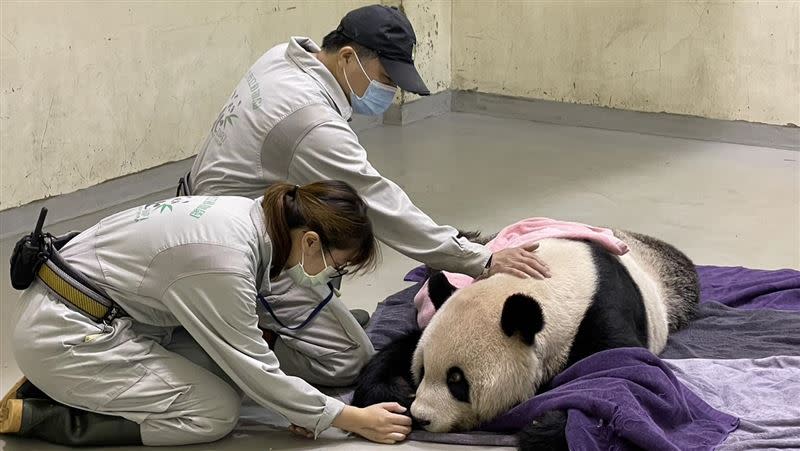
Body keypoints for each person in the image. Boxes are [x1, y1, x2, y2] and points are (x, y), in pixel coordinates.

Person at [0, 181, 411, 446]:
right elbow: (256, 369)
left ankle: (76, 385)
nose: (330, 277)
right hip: (67, 336)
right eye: (336, 267)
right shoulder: (224, 262)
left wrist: (305, 407)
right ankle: (51, 414)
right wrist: (349, 418)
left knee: (228, 374)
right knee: (215, 411)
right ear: (309, 241)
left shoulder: (247, 217)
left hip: (98, 313)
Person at [179, 4, 550, 287]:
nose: (390, 92)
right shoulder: (310, 122)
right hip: (223, 252)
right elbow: (378, 202)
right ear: (347, 57)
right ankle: (270, 323)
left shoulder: (283, 57)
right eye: (386, 78)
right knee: (346, 356)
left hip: (198, 208)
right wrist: (478, 260)